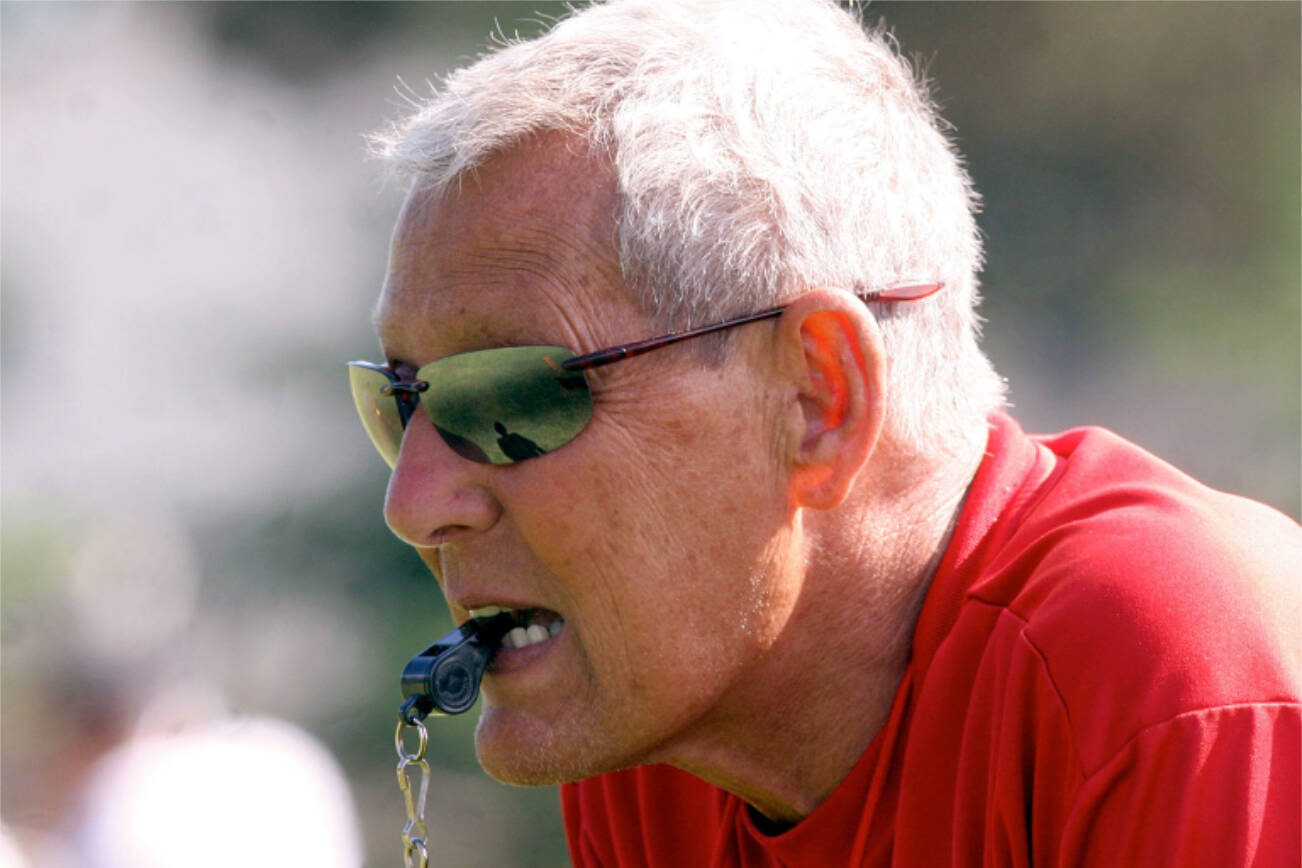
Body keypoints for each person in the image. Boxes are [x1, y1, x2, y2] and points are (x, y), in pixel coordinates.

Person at [350, 0, 1301, 863]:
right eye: (400, 401)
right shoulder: (651, 725)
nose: (415, 503)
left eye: (510, 398)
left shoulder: (1181, 685)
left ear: (818, 398)